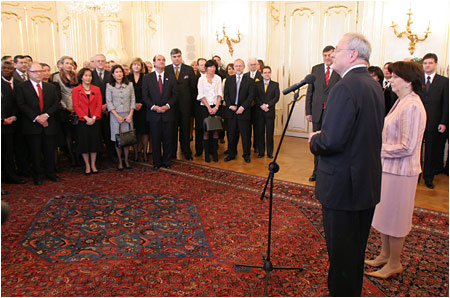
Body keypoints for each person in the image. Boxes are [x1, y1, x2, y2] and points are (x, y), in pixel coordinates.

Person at [308, 33, 385, 296]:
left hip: (343, 187)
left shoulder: (344, 87)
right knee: (354, 250)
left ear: (353, 54)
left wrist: (314, 140)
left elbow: (332, 141)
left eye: (337, 50)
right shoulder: (373, 84)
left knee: (341, 253)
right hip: (365, 182)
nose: (332, 55)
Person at [364, 61, 427, 279]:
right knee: (385, 214)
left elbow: (406, 147)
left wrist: (377, 150)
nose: (390, 80)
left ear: (408, 81)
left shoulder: (412, 105)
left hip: (401, 172)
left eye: (395, 77)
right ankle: (384, 255)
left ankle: (394, 263)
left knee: (396, 219)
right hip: (389, 169)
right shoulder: (401, 101)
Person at [15, 62, 61, 185]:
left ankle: (50, 173)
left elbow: (55, 103)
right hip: (32, 125)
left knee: (49, 151)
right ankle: (37, 175)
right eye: (36, 72)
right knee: (35, 152)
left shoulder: (50, 87)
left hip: (48, 124)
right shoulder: (22, 87)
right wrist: (36, 117)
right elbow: (21, 105)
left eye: (41, 71)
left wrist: (46, 116)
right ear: (29, 73)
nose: (39, 74)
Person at [305, 45, 341, 182]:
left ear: (334, 56)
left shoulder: (339, 69)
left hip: (333, 113)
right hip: (317, 113)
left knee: (330, 143)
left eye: (330, 55)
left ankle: (329, 172)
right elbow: (310, 91)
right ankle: (316, 171)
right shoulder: (316, 69)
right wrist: (308, 111)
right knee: (317, 143)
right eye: (325, 55)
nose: (327, 58)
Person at [418, 53, 449, 189]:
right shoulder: (418, 80)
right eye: (425, 63)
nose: (427, 65)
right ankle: (416, 176)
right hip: (418, 122)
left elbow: (446, 104)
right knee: (416, 150)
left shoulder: (444, 81)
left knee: (430, 152)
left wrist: (443, 122)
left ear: (435, 64)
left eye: (430, 63)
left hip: (434, 122)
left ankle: (428, 177)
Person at [142, 54, 178, 170]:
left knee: (168, 139)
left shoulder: (171, 77)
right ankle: (156, 162)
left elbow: (175, 95)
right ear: (154, 63)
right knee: (155, 140)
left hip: (168, 113)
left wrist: (167, 106)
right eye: (159, 60)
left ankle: (167, 161)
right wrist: (154, 107)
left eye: (163, 60)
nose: (161, 62)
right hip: (154, 114)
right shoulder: (147, 78)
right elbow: (145, 96)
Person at [165, 48, 197, 161]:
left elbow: (193, 88)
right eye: (174, 57)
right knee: (172, 130)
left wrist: (191, 106)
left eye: (178, 56)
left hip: (185, 106)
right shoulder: (166, 69)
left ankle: (186, 151)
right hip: (171, 107)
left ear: (181, 56)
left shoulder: (188, 69)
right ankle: (172, 152)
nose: (176, 58)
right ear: (171, 58)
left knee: (185, 129)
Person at [72, 68, 103, 175]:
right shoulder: (76, 90)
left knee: (94, 143)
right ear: (81, 77)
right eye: (86, 75)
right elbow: (76, 106)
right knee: (84, 143)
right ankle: (87, 165)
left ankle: (93, 164)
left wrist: (94, 118)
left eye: (90, 76)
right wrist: (86, 118)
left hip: (95, 120)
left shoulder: (96, 89)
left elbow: (99, 105)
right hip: (83, 121)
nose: (88, 78)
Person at [223, 58, 254, 163]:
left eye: (240, 66)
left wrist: (243, 107)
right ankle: (231, 153)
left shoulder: (249, 80)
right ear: (234, 67)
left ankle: (246, 155)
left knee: (245, 135)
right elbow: (226, 94)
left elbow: (250, 96)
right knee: (231, 135)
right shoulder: (229, 79)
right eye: (236, 66)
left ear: (244, 67)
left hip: (244, 112)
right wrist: (230, 105)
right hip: (231, 111)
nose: (238, 68)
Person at [106, 65, 136, 171]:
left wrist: (131, 114)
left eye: (120, 72)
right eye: (116, 72)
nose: (119, 74)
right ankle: (120, 161)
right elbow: (109, 102)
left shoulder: (130, 85)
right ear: (113, 74)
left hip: (128, 115)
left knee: (127, 139)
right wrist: (117, 116)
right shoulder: (109, 86)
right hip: (115, 116)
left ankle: (127, 160)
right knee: (118, 139)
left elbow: (133, 99)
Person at [52, 56, 79, 167]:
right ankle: (71, 156)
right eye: (67, 63)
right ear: (61, 64)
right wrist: (66, 107)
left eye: (71, 63)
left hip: (77, 107)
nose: (69, 65)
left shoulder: (75, 76)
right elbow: (58, 95)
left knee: (77, 133)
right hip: (64, 108)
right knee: (68, 134)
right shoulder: (56, 77)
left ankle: (78, 155)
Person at [1, 61, 25, 184]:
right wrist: (3, 119)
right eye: (4, 68)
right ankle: (9, 176)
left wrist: (14, 117)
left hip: (17, 122)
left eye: (9, 68)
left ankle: (20, 172)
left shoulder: (19, 84)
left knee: (19, 149)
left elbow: (20, 103)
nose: (6, 70)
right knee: (6, 152)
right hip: (3, 124)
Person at [197, 60, 223, 162]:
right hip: (205, 107)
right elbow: (201, 95)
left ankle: (215, 153)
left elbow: (220, 93)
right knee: (206, 131)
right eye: (210, 67)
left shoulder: (218, 78)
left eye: (213, 67)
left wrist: (216, 107)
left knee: (216, 131)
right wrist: (209, 107)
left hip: (216, 106)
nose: (212, 69)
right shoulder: (201, 79)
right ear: (206, 68)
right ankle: (207, 154)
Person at [91, 54, 115, 161]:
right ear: (95, 63)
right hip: (94, 109)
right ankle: (99, 157)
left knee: (109, 132)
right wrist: (99, 106)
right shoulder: (90, 75)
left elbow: (114, 91)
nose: (101, 63)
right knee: (97, 134)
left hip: (109, 108)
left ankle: (112, 154)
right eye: (98, 61)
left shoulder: (111, 75)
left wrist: (107, 105)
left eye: (103, 61)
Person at [255, 66, 280, 158]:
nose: (267, 74)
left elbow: (276, 97)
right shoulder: (257, 84)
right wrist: (261, 105)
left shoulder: (275, 84)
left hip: (270, 112)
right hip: (260, 112)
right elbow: (255, 97)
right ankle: (261, 152)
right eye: (265, 72)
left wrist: (267, 105)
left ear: (270, 73)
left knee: (270, 133)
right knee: (260, 132)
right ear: (262, 74)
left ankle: (270, 152)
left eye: (268, 72)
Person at [128, 57, 150, 162]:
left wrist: (141, 103)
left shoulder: (146, 77)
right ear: (131, 66)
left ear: (141, 67)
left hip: (144, 107)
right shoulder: (127, 78)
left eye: (138, 65)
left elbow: (147, 92)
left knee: (144, 131)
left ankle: (145, 153)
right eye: (135, 64)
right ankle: (136, 153)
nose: (136, 66)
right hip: (132, 109)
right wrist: (134, 104)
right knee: (135, 131)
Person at [244, 57, 263, 154]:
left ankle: (257, 146)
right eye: (251, 65)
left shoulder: (261, 75)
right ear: (248, 66)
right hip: (247, 107)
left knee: (257, 128)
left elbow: (262, 92)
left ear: (257, 65)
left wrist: (256, 101)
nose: (253, 66)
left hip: (257, 107)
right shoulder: (245, 76)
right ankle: (247, 147)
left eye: (254, 64)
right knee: (247, 128)